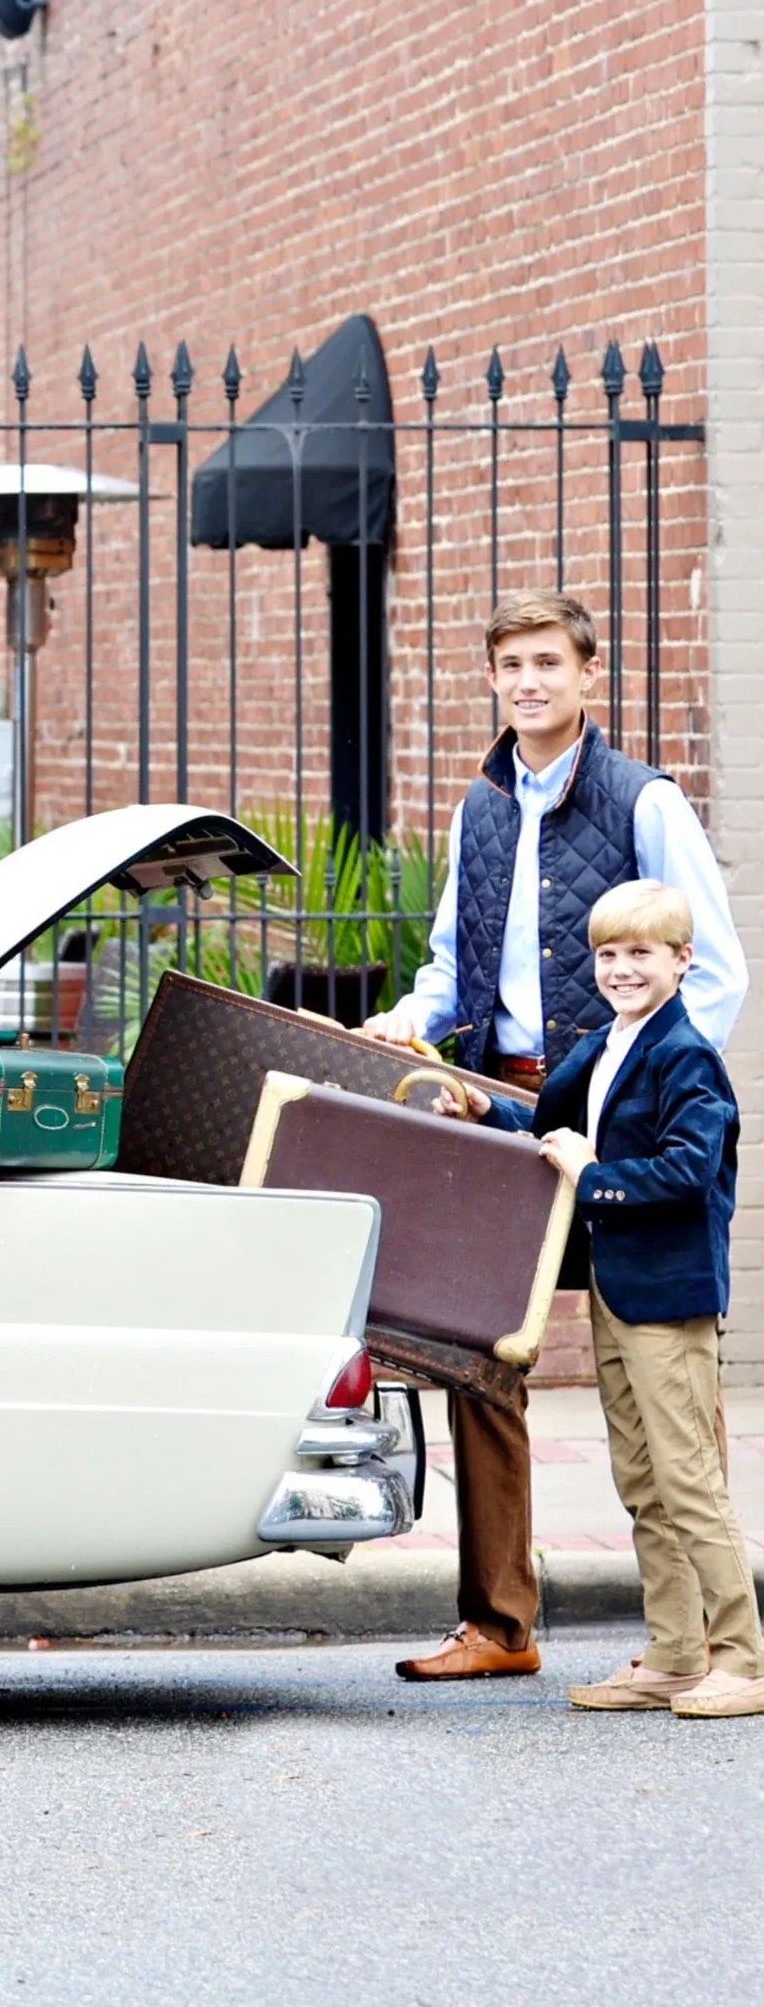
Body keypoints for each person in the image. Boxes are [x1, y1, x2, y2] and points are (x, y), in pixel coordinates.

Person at [360, 590, 745, 1682]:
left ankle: (715, 1636)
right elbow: (448, 964)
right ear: (493, 681)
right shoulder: (476, 810)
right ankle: (499, 1623)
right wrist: (410, 1021)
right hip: (506, 1105)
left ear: (587, 676)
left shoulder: (645, 801)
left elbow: (716, 968)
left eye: (546, 663)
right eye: (509, 665)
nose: (527, 682)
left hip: (619, 1115)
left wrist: (645, 1080)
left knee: (660, 1360)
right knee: (481, 1353)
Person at [457, 883, 758, 1719]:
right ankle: (674, 1651)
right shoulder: (605, 1043)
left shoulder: (685, 1054)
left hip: (668, 1295)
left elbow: (686, 1170)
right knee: (643, 1481)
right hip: (616, 1291)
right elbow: (556, 1127)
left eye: (642, 953)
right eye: (608, 954)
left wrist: (591, 1176)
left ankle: (743, 1654)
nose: (622, 968)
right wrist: (491, 1107)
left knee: (689, 1479)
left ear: (682, 961)